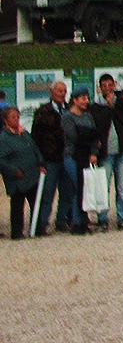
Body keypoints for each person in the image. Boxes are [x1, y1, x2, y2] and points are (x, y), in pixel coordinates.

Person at [89, 74, 123, 230]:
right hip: (106, 152)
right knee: (104, 186)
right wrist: (109, 107)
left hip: (122, 150)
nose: (107, 89)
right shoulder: (95, 106)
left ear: (115, 85)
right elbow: (99, 124)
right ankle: (103, 218)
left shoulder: (122, 102)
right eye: (104, 86)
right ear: (100, 87)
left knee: (122, 186)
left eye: (110, 85)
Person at [31, 82, 70, 234]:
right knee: (47, 194)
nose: (62, 94)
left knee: (67, 192)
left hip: (67, 157)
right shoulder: (43, 111)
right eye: (59, 91)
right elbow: (36, 137)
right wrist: (40, 160)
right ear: (51, 92)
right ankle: (42, 223)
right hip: (50, 158)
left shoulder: (69, 109)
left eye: (64, 91)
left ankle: (61, 220)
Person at [1, 105, 43, 239]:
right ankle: (17, 231)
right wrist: (14, 172)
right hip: (17, 177)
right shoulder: (3, 138)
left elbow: (35, 148)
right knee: (17, 206)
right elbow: (1, 160)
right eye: (13, 117)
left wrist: (40, 162)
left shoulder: (24, 133)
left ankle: (37, 228)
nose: (17, 120)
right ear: (5, 120)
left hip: (32, 174)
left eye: (18, 117)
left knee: (36, 203)